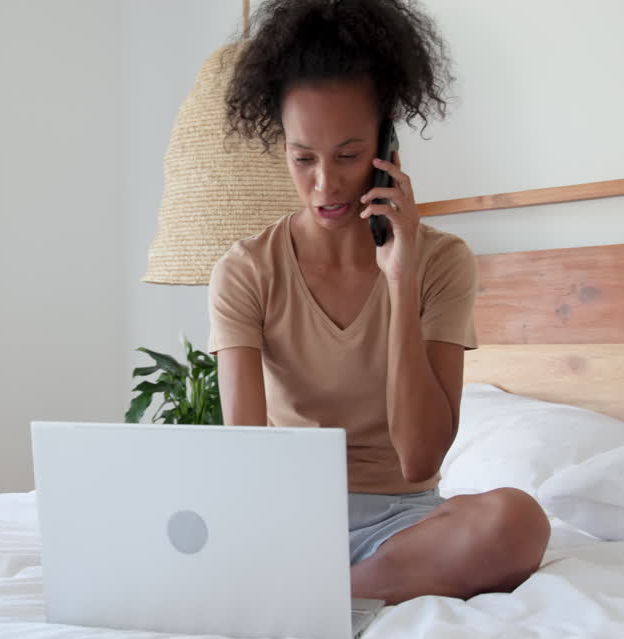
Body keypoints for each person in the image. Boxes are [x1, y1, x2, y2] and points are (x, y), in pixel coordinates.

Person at [211, 0, 550, 604]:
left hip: (402, 526)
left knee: (518, 521)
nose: (324, 184)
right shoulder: (246, 270)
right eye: (302, 158)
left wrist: (400, 276)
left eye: (347, 155)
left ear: (386, 143)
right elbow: (245, 459)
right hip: (288, 520)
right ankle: (322, 591)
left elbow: (419, 459)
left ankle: (320, 597)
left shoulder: (442, 263)